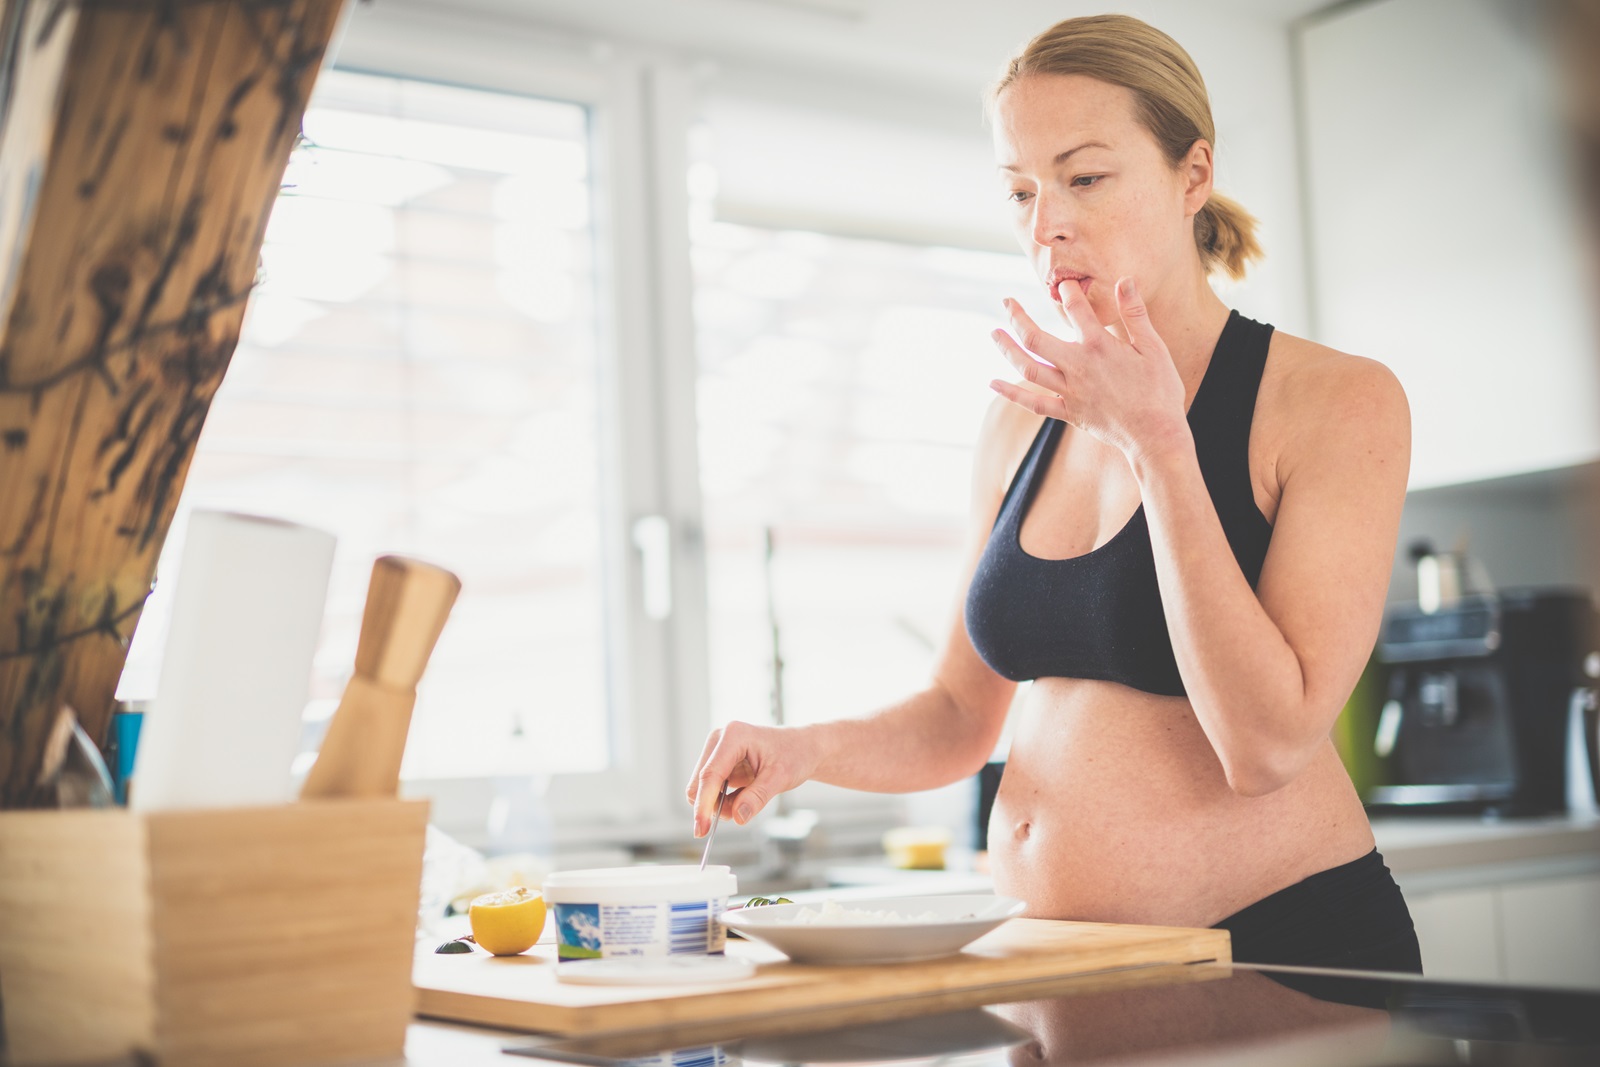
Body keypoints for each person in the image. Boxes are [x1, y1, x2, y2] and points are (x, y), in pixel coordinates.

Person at [687, 13, 1419, 972]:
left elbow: (1266, 746)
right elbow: (958, 713)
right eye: (1021, 189)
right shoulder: (1022, 421)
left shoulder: (1333, 400)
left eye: (1083, 177)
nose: (1047, 224)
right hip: (1059, 968)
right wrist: (805, 748)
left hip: (1281, 956)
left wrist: (1159, 440)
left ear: (1192, 175)